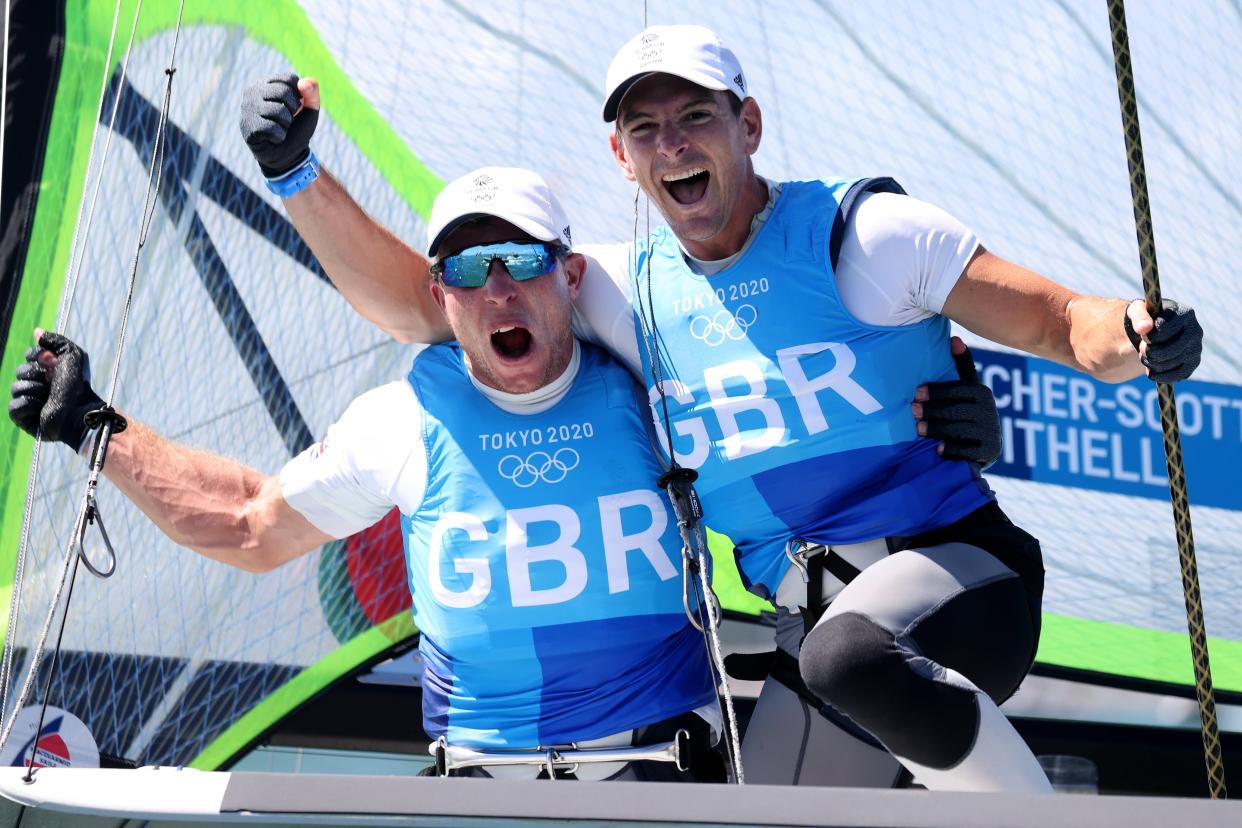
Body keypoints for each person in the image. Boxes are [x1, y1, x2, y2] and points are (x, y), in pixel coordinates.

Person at [235, 28, 1203, 793]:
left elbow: (1065, 325)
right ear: (621, 157)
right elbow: (422, 302)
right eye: (647, 130)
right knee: (775, 768)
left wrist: (1140, 330)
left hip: (955, 586)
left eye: (695, 115)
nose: (674, 143)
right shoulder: (617, 293)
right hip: (810, 640)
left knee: (853, 654)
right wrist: (295, 174)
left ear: (749, 124)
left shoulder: (866, 235)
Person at [7, 168, 734, 783]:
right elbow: (248, 525)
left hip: (664, 777)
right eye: (469, 270)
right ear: (441, 297)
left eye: (520, 258)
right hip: (487, 791)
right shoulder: (402, 420)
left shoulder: (653, 383)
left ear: (571, 274)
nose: (498, 290)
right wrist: (92, 424)